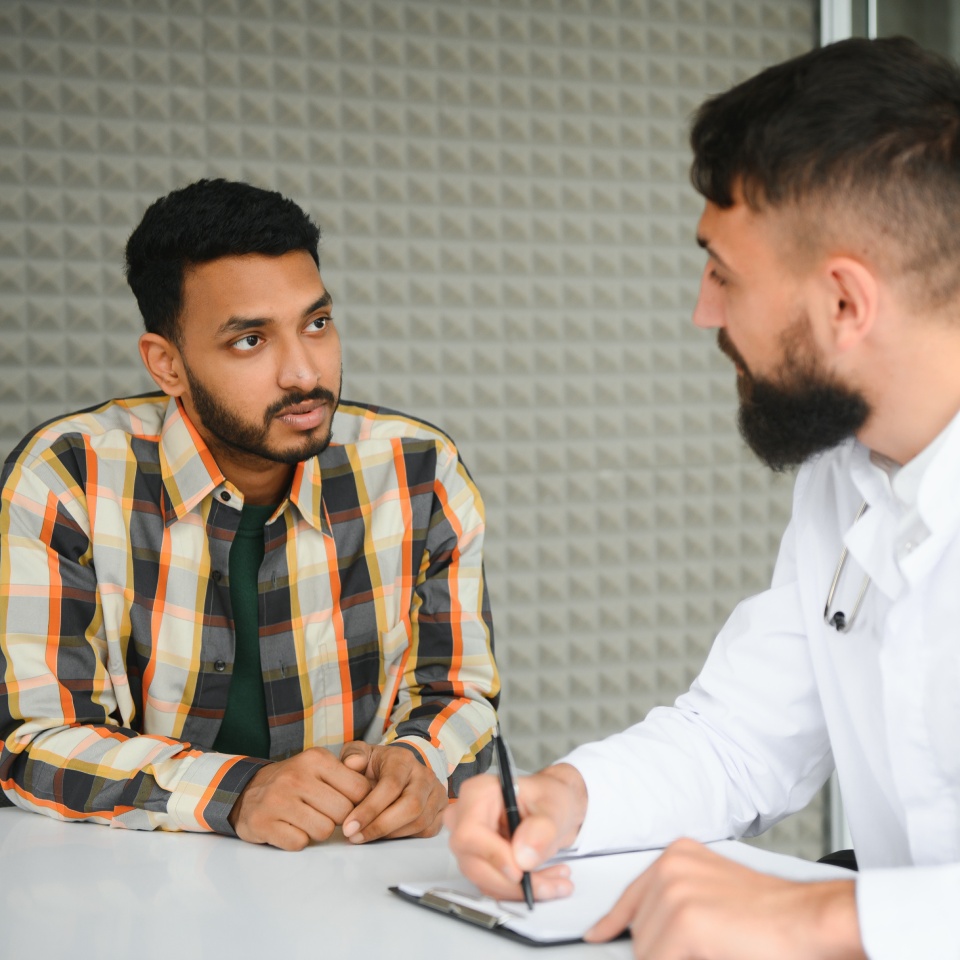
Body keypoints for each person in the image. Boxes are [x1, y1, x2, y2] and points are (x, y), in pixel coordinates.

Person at [446, 36, 960, 960]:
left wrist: (827, 918)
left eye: (724, 272)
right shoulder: (846, 467)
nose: (703, 311)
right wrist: (565, 799)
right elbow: (742, 737)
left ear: (846, 304)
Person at [0, 178, 499, 852]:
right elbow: (29, 741)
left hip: (348, 882)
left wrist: (421, 762)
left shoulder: (419, 472)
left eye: (316, 323)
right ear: (167, 365)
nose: (303, 372)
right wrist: (236, 792)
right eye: (250, 341)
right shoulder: (66, 477)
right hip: (134, 890)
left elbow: (457, 695)